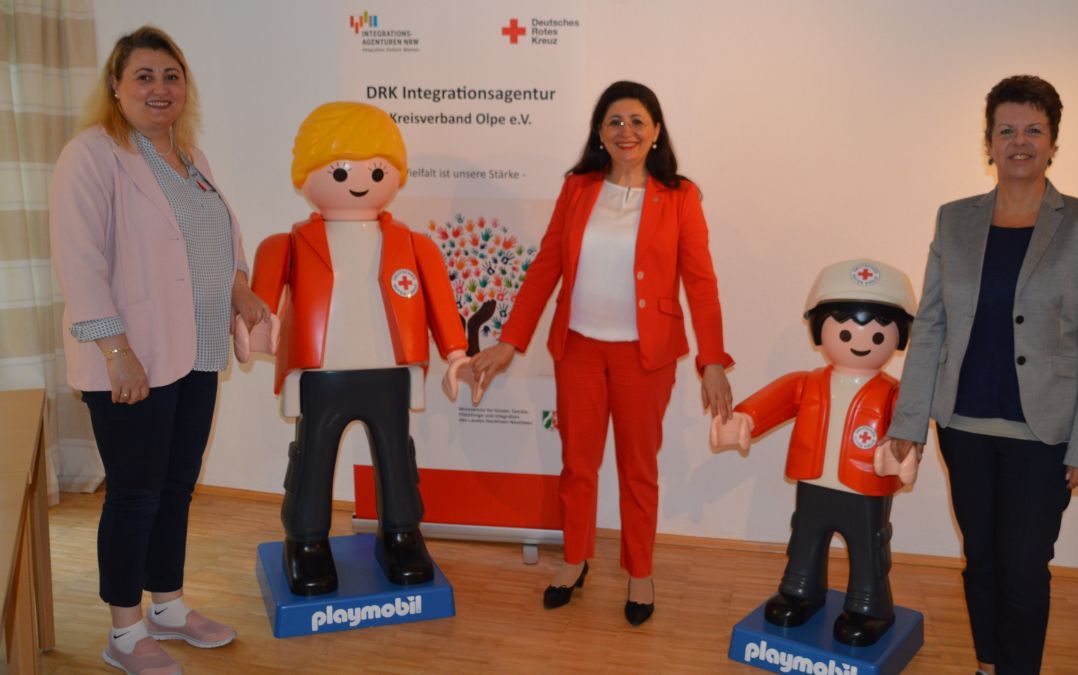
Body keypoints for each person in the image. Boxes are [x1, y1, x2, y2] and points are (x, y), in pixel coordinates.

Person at [885, 75, 1078, 674]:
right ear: (988, 142)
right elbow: (931, 325)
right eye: (1007, 130)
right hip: (963, 424)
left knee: (1023, 566)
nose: (1020, 141)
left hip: (1044, 435)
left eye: (1034, 130)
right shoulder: (954, 220)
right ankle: (988, 663)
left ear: (1053, 142)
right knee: (983, 560)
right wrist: (910, 420)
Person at [471, 81, 734, 626]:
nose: (626, 132)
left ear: (657, 130)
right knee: (578, 465)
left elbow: (701, 283)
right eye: (615, 121)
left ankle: (640, 570)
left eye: (637, 121)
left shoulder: (680, 196)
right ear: (599, 132)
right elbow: (546, 266)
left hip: (647, 355)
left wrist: (712, 362)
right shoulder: (578, 187)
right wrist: (510, 341)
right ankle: (574, 561)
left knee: (638, 470)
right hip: (580, 349)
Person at [48, 25, 268, 675]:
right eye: (143, 76)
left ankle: (168, 607)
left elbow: (212, 242)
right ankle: (123, 629)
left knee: (176, 486)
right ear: (115, 88)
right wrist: (115, 351)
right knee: (135, 493)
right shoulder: (91, 155)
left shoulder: (190, 156)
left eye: (171, 76)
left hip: (196, 351)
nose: (159, 88)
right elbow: (79, 262)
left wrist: (241, 289)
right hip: (132, 357)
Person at [250, 101, 481, 597]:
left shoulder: (413, 244)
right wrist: (258, 328)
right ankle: (306, 540)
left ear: (394, 174)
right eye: (340, 169)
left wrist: (457, 354)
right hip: (322, 373)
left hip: (389, 370)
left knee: (396, 456)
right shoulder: (286, 244)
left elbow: (441, 304)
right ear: (307, 173)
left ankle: (401, 533)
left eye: (375, 169)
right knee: (313, 456)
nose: (359, 180)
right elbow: (261, 303)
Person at [711, 259, 916, 647]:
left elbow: (909, 426)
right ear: (820, 330)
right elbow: (771, 402)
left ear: (898, 338)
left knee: (868, 548)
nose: (860, 340)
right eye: (844, 328)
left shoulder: (893, 392)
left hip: (865, 487)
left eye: (877, 334)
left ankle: (869, 606)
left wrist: (905, 453)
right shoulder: (806, 383)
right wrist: (744, 419)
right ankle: (801, 590)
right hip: (814, 481)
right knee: (805, 537)